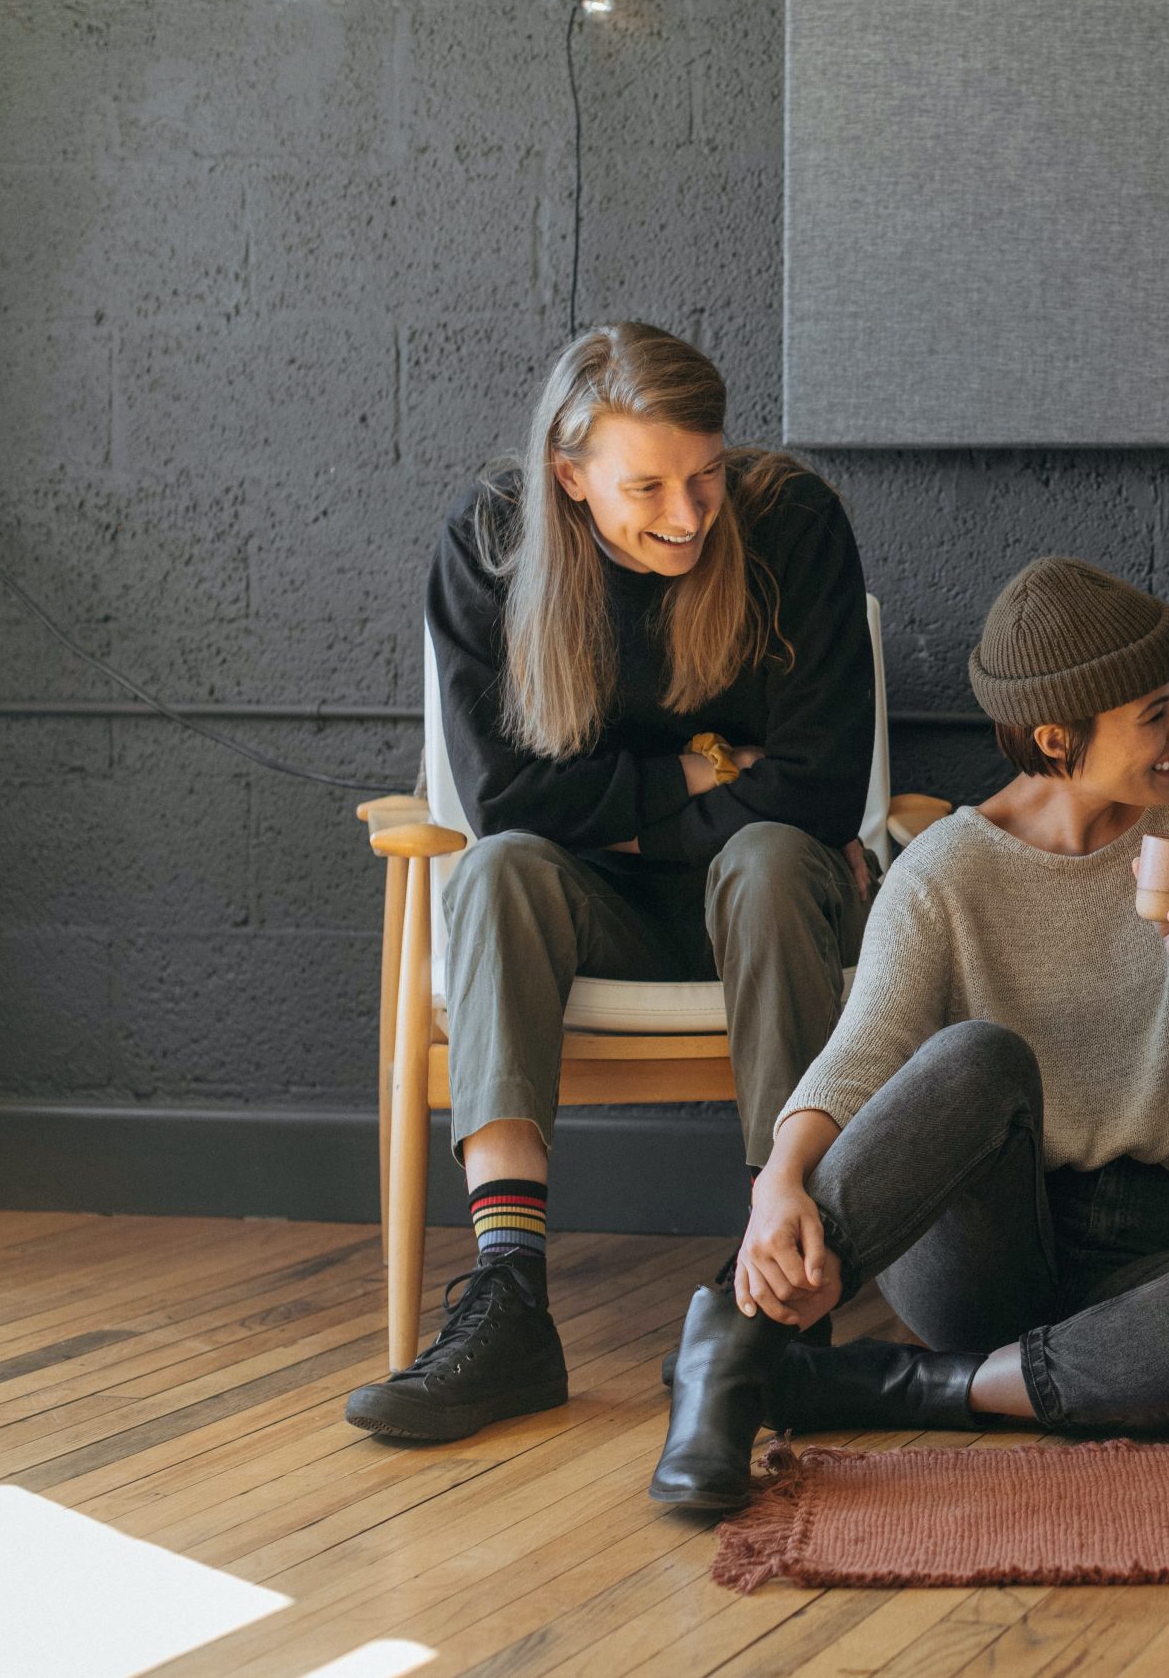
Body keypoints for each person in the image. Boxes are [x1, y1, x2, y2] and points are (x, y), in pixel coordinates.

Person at [649, 557, 1169, 1513]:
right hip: (984, 1251)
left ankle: (906, 1387)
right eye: (1154, 714)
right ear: (1058, 736)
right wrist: (777, 1183)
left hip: (1163, 1254)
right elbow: (864, 1049)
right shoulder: (944, 871)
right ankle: (739, 1342)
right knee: (977, 1056)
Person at [345, 322, 876, 1442]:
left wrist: (614, 812)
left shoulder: (791, 525)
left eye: (706, 475)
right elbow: (498, 801)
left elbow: (820, 797)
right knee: (493, 873)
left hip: (775, 908)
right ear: (568, 474)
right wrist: (701, 771)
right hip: (594, 918)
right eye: (648, 486)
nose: (690, 515)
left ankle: (781, 1290)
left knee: (773, 857)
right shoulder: (492, 543)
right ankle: (509, 1300)